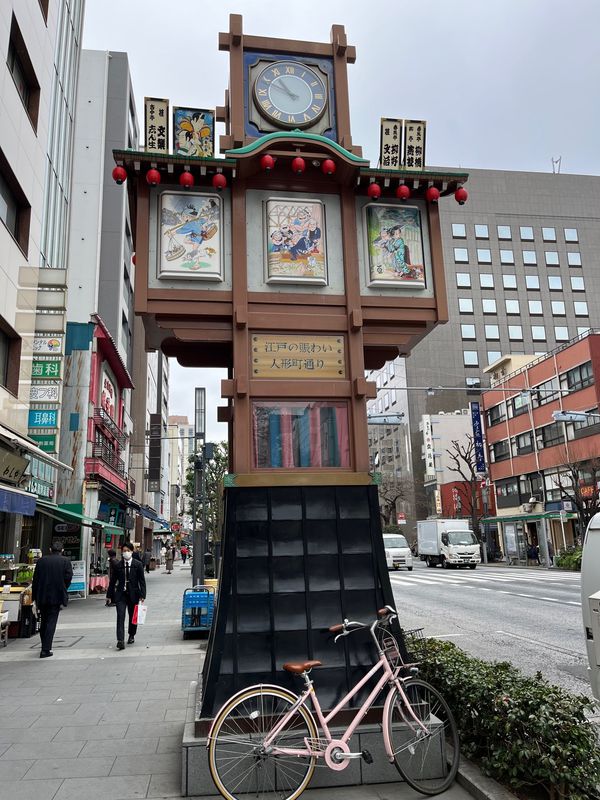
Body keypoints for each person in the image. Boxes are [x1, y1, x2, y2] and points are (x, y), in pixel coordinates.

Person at [31, 541, 73, 658]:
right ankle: (45, 649)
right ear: (62, 550)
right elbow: (68, 577)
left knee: (44, 620)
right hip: (57, 595)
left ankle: (44, 644)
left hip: (42, 595)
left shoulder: (41, 561)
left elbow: (36, 580)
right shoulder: (65, 561)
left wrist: (34, 597)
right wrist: (63, 588)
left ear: (50, 549)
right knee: (51, 621)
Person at [107, 541, 146, 650]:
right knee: (120, 616)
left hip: (134, 594)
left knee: (133, 616)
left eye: (128, 551)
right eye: (124, 551)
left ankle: (131, 634)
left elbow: (142, 581)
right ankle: (120, 640)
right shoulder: (118, 565)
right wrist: (109, 595)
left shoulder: (137, 565)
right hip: (121, 594)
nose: (126, 553)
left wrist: (143, 594)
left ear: (132, 551)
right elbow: (112, 581)